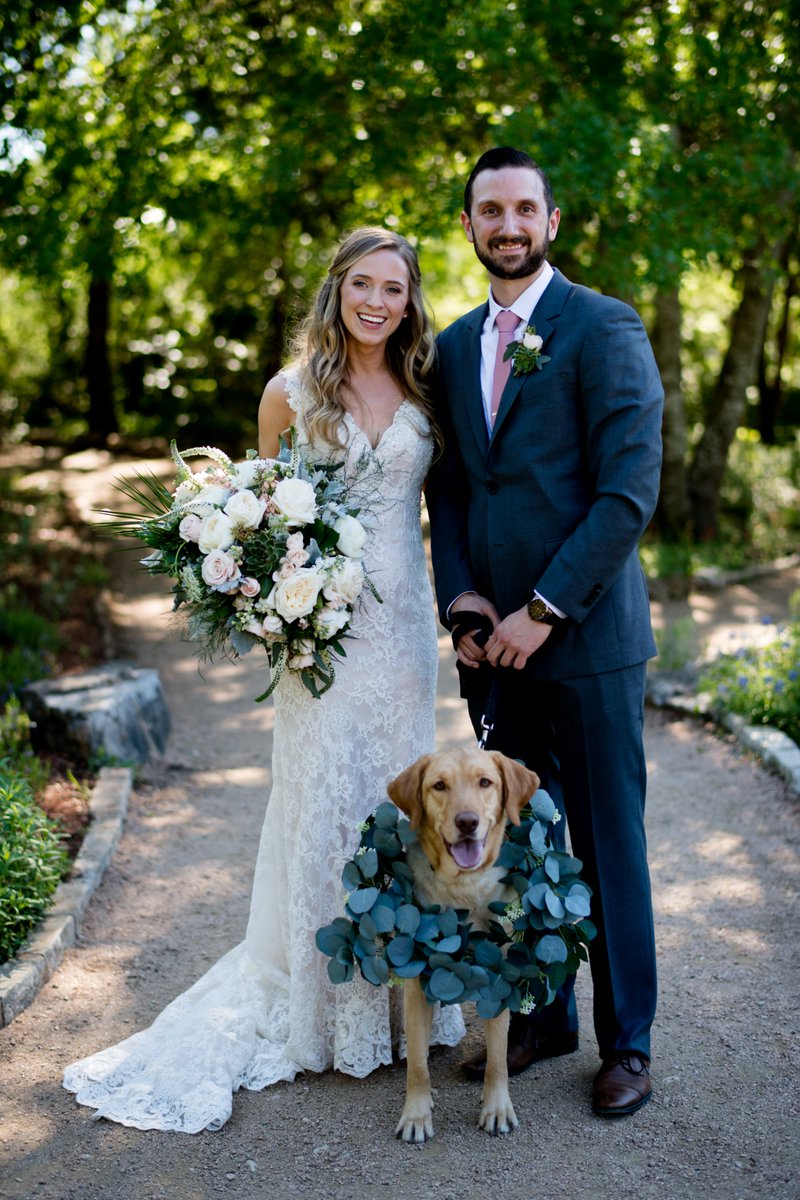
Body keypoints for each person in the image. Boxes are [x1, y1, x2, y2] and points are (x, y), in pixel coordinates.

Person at [63, 227, 465, 1132]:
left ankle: (402, 994)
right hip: (322, 638)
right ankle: (322, 1012)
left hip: (403, 636)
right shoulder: (289, 393)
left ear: (409, 302)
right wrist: (282, 610)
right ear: (337, 290)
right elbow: (265, 521)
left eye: (393, 289)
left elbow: (446, 505)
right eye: (362, 283)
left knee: (400, 803)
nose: (377, 301)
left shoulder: (423, 391)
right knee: (322, 801)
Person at [425, 148, 663, 1117]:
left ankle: (628, 1044)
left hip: (587, 641)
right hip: (495, 656)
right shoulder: (446, 345)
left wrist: (541, 610)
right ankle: (541, 1014)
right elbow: (448, 487)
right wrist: (467, 604)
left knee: (607, 847)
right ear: (471, 224)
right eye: (490, 209)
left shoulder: (602, 327)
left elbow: (625, 491)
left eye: (524, 207)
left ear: (551, 221)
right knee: (519, 848)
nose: (507, 224)